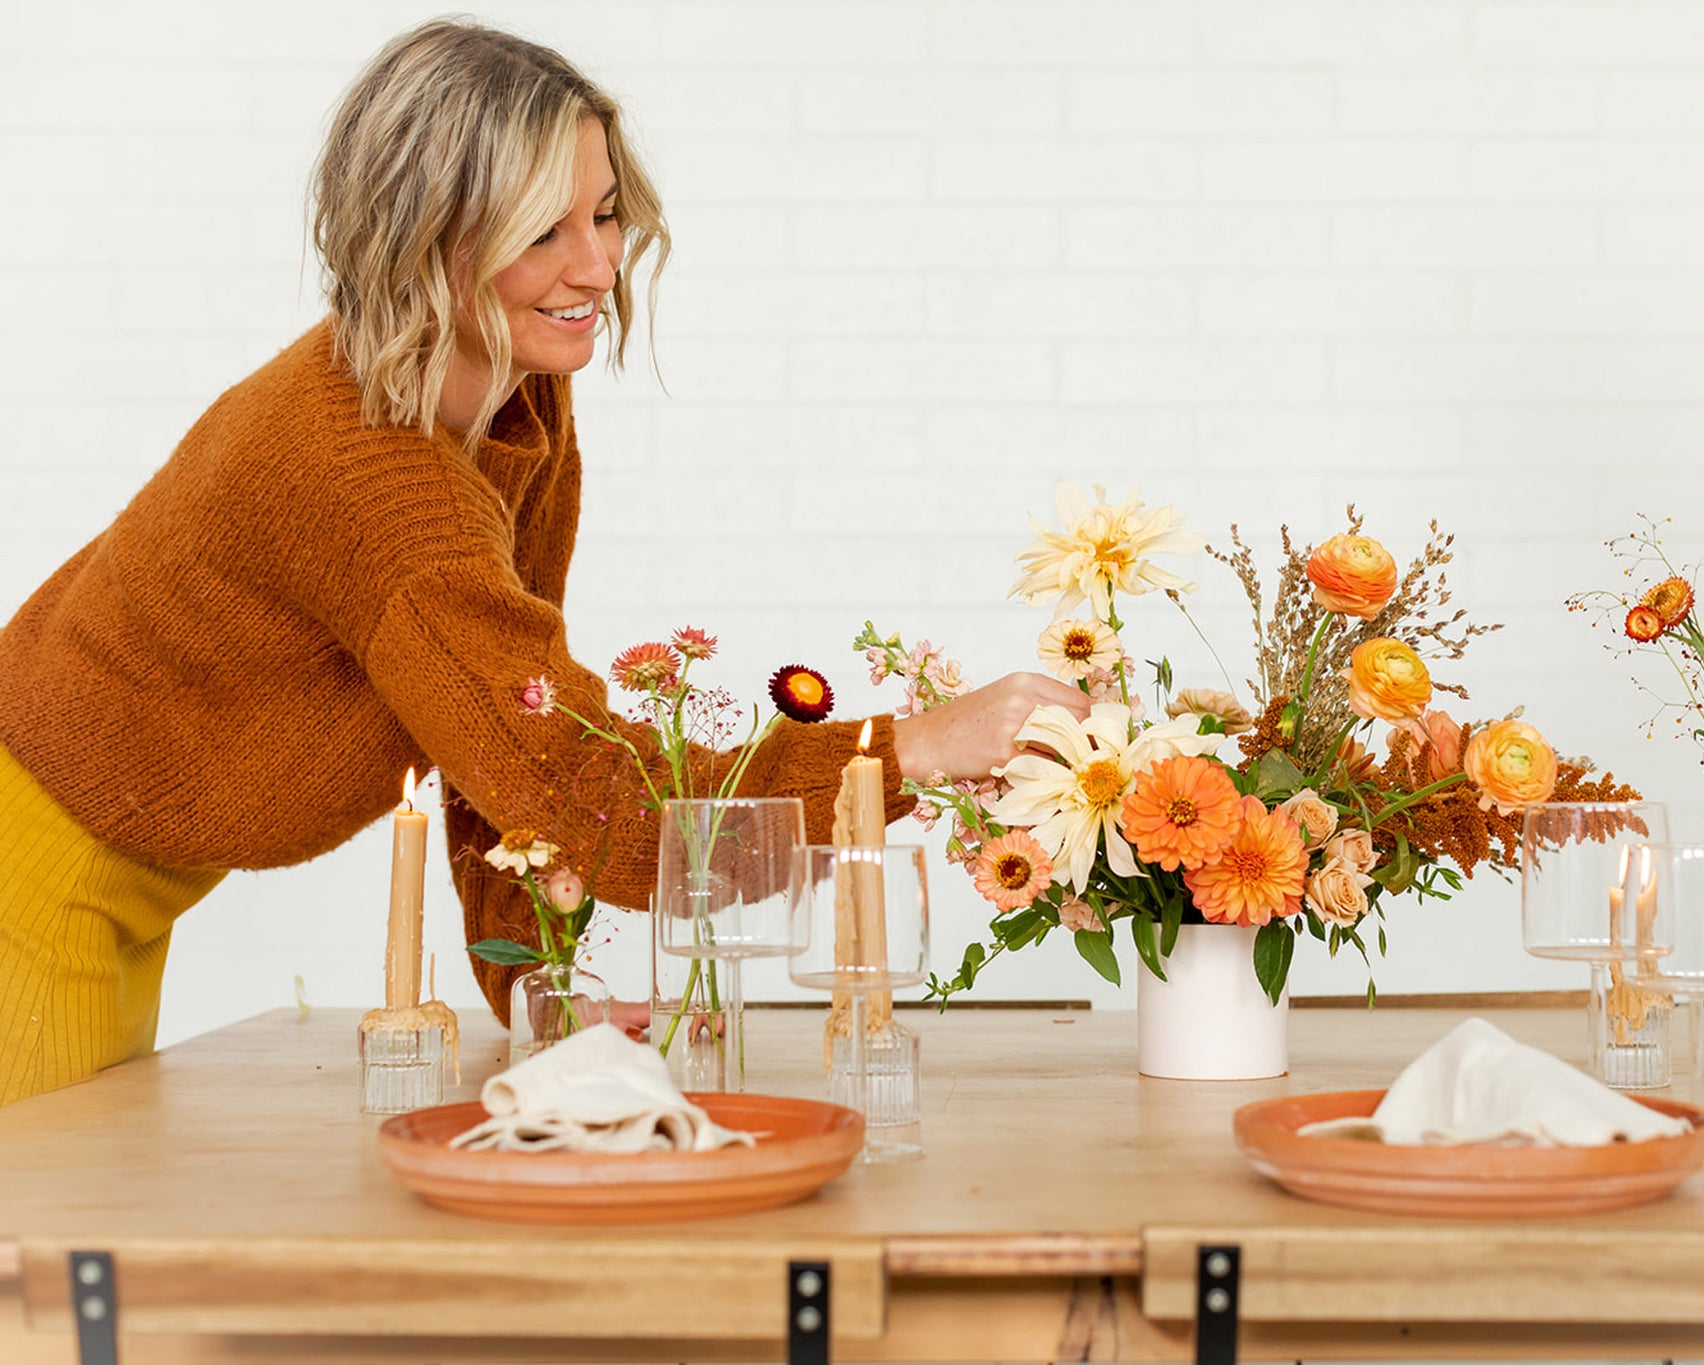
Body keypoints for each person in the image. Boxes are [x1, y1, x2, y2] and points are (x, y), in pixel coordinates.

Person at [0, 20, 1082, 1107]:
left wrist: (530, 984)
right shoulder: (380, 487)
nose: (598, 265)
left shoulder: (513, 395)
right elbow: (592, 798)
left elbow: (502, 742)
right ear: (426, 239)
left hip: (115, 867)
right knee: (49, 1242)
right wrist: (911, 748)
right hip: (37, 878)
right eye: (540, 232)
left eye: (604, 213)